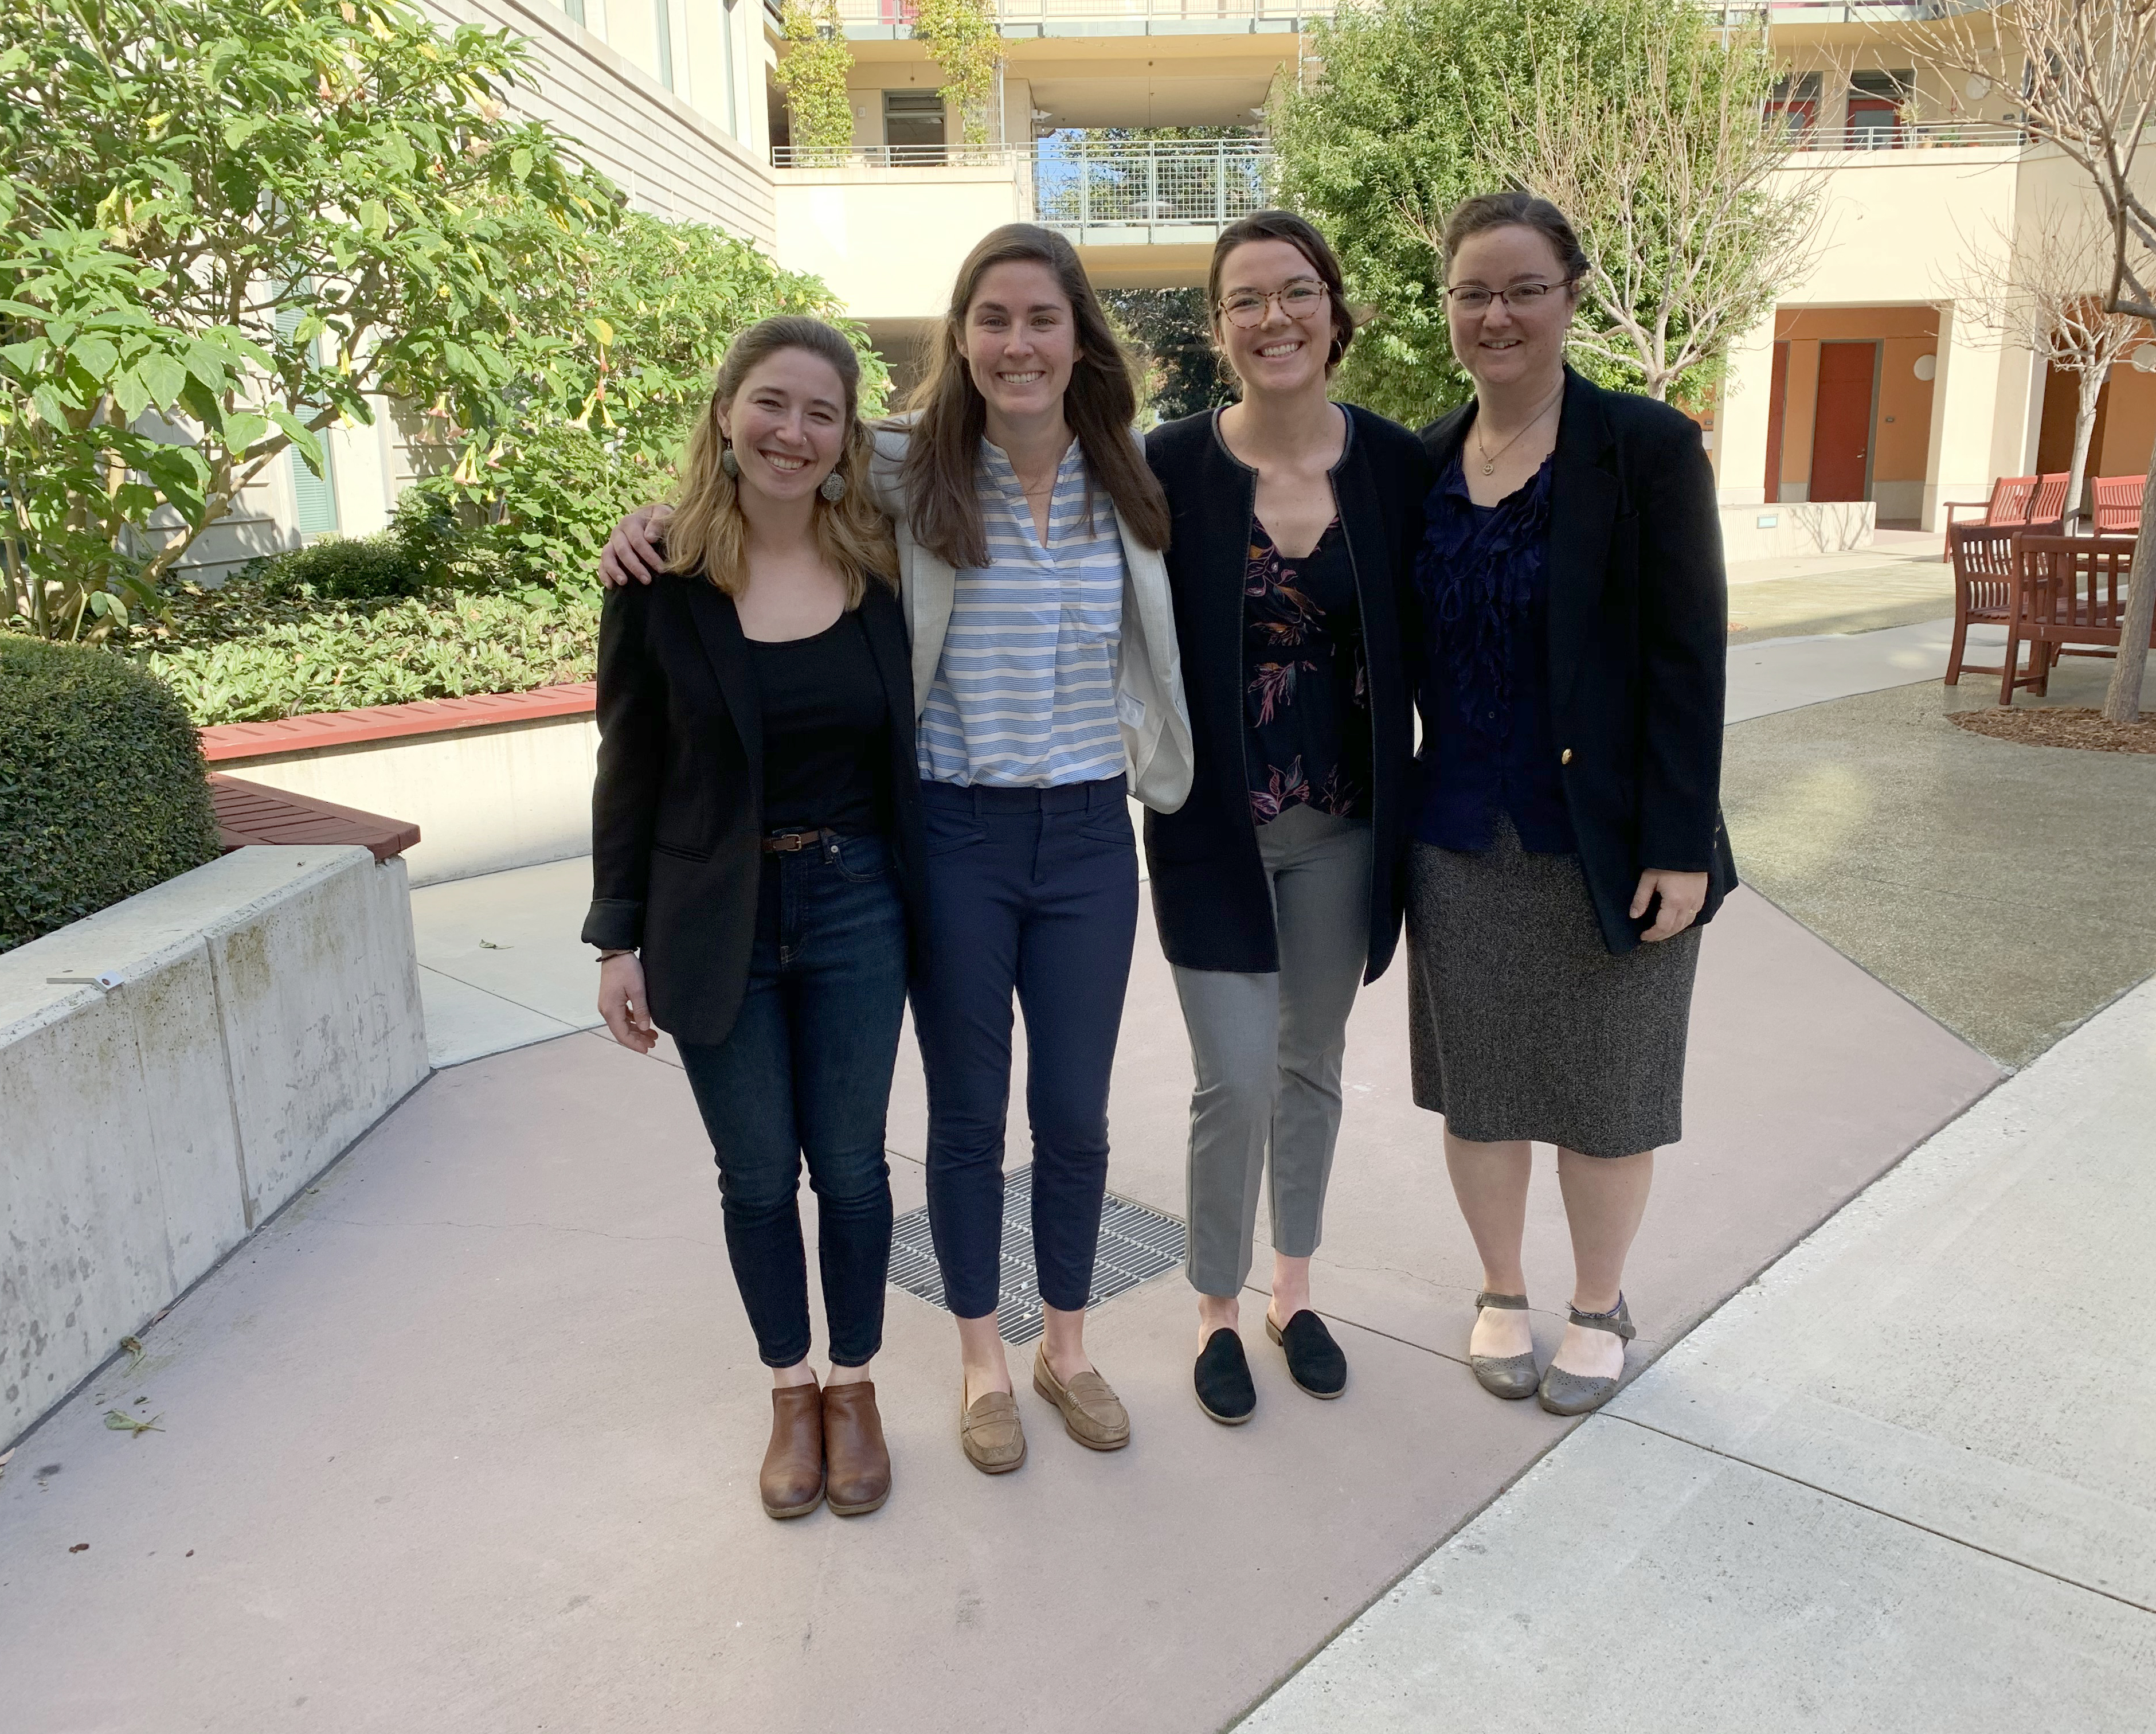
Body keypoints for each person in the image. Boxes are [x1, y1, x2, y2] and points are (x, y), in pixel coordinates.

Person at [600, 226, 1192, 1475]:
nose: (1018, 343)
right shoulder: (903, 471)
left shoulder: (1132, 480)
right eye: (992, 319)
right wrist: (648, 522)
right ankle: (983, 1361)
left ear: (1081, 334)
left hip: (1090, 833)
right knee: (968, 1120)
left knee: (1076, 1116)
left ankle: (1067, 1348)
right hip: (958, 832)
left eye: (1043, 318)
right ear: (963, 338)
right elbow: (774, 454)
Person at [583, 315, 928, 1519]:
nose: (793, 432)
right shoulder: (660, 573)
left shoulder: (883, 566)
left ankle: (856, 1385)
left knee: (851, 1167)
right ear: (727, 412)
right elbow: (626, 767)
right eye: (771, 405)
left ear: (848, 440)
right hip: (708, 914)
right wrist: (615, 939)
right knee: (751, 1176)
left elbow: (993, 431)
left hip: (854, 905)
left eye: (821, 413)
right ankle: (791, 1390)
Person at [1408, 192, 1734, 1416]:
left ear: (1571, 296)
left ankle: (1598, 1305)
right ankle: (1503, 1288)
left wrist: (1681, 844)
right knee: (1484, 1090)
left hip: (1610, 842)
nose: (1498, 315)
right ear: (1450, 309)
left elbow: (1688, 657)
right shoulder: (1423, 461)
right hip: (1459, 839)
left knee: (1606, 1089)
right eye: (1473, 293)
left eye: (1522, 288)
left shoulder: (1645, 450)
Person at [1142, 212, 1426, 1425]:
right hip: (1214, 835)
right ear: (1220, 328)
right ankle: (1215, 1305)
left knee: (1311, 1065)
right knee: (1237, 1080)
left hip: (1349, 830)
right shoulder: (1169, 468)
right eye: (1246, 300)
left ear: (1334, 308)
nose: (1274, 318)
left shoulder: (1400, 467)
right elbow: (1007, 479)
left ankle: (1293, 1293)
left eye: (1296, 292)